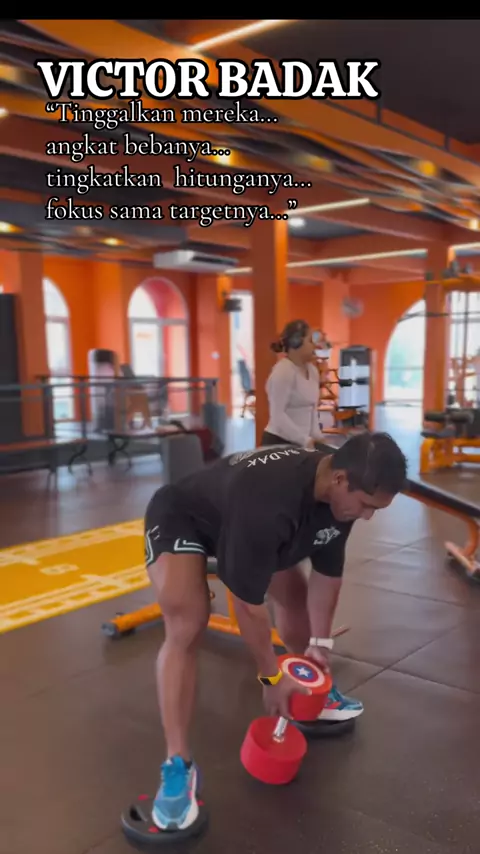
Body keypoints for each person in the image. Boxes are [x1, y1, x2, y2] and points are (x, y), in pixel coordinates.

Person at [144, 430, 408, 831]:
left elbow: (327, 575)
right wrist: (270, 676)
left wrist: (320, 646)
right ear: (340, 480)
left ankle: (310, 687)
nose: (368, 516)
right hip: (184, 518)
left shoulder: (342, 497)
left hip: (248, 522)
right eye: (367, 506)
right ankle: (178, 765)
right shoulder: (268, 503)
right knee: (188, 620)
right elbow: (247, 606)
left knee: (296, 596)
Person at [262, 319, 323, 448]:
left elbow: (312, 410)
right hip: (279, 442)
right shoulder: (283, 371)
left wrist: (318, 437)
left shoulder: (313, 371)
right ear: (296, 343)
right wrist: (305, 440)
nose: (314, 345)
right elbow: (277, 416)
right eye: (310, 341)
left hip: (302, 443)